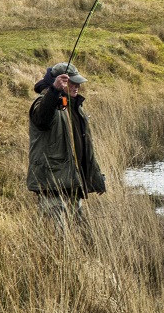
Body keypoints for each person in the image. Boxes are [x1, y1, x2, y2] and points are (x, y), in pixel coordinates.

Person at [28, 61, 106, 229]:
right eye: (72, 82)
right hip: (50, 185)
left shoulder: (74, 106)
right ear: (59, 82)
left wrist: (96, 178)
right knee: (56, 236)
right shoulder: (43, 103)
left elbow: (84, 148)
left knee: (79, 234)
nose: (77, 86)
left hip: (72, 184)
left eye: (78, 83)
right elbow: (42, 118)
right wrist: (54, 91)